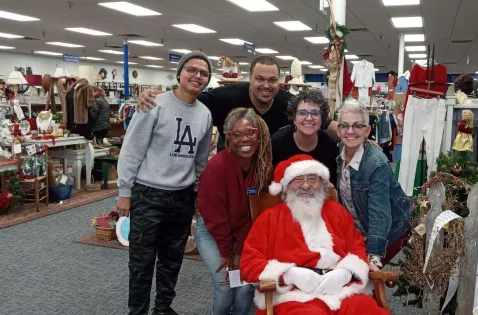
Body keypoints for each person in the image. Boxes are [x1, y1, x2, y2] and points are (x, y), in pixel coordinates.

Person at [116, 51, 214, 315]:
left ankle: (163, 308)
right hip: (148, 194)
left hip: (181, 197)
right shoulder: (154, 105)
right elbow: (131, 149)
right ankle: (137, 311)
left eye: (204, 73)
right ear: (179, 73)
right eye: (192, 70)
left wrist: (196, 194)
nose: (197, 76)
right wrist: (125, 191)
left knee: (172, 260)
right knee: (141, 261)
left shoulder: (205, 114)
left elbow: (200, 161)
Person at [241, 154, 389, 315]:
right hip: (293, 295)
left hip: (341, 290)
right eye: (298, 180)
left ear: (321, 183)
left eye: (312, 179)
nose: (306, 186)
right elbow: (249, 263)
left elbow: (357, 248)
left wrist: (346, 273)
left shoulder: (337, 212)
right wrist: (289, 275)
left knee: (367, 310)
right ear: (288, 185)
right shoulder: (269, 218)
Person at [136, 56, 345, 141]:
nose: (266, 85)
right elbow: (189, 97)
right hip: (232, 172)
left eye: (272, 80)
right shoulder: (227, 97)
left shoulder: (288, 102)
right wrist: (156, 95)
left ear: (279, 81)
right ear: (250, 79)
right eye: (259, 79)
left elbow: (324, 122)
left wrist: (354, 136)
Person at [196, 108, 273, 315]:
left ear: (259, 134)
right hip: (213, 233)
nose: (245, 139)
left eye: (250, 132)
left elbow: (255, 215)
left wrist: (240, 249)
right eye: (237, 134)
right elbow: (214, 216)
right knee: (225, 285)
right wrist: (226, 252)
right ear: (228, 138)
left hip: (244, 233)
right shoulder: (216, 167)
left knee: (245, 285)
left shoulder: (262, 166)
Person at [336, 99, 412, 271]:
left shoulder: (377, 164)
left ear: (367, 130)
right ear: (338, 130)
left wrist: (374, 255)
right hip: (362, 229)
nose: (350, 131)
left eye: (357, 126)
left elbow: (380, 212)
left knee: (365, 275)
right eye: (345, 126)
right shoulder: (339, 153)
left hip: (392, 228)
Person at [271, 89, 338, 184]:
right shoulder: (277, 143)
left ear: (322, 119)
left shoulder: (332, 145)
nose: (309, 118)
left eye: (315, 113)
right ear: (293, 118)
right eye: (302, 113)